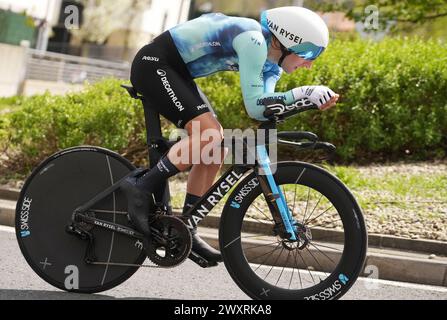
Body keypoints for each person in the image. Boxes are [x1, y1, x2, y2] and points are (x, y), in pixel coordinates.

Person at [121, 6, 340, 262]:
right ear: (285, 41)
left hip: (176, 72)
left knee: (216, 148)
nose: (310, 64)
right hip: (155, 65)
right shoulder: (253, 40)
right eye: (308, 53)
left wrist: (306, 101)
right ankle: (140, 186)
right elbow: (254, 104)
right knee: (209, 134)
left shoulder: (272, 65)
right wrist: (303, 92)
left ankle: (187, 226)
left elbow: (260, 110)